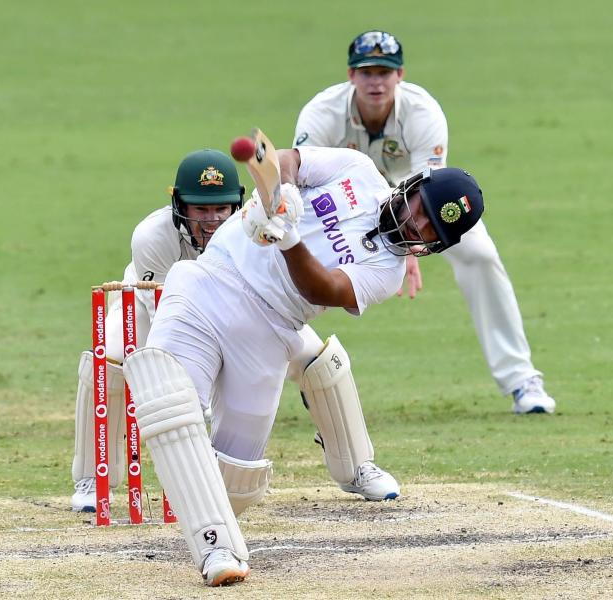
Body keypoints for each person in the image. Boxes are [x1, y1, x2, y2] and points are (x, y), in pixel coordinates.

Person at [121, 145, 485, 585]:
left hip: (270, 331)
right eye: (421, 209)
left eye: (432, 232)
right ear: (413, 186)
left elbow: (324, 288)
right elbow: (277, 157)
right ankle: (217, 549)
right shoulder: (359, 170)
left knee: (237, 475)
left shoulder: (387, 272)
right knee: (172, 398)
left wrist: (289, 238)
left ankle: (212, 517)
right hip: (211, 282)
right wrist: (284, 197)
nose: (418, 224)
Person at [70, 149, 399, 513]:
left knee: (320, 361)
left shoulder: (251, 223)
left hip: (241, 305)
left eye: (220, 209)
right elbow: (166, 314)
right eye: (200, 209)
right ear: (180, 205)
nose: (211, 220)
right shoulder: (153, 235)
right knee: (111, 358)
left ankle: (356, 467)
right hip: (152, 305)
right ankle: (92, 477)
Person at [294, 30, 556, 414]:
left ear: (399, 76)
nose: (376, 82)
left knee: (480, 254)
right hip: (345, 203)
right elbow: (303, 179)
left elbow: (428, 194)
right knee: (303, 274)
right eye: (367, 72)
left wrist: (408, 247)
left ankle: (522, 380)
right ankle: (304, 372)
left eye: (385, 72)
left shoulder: (423, 112)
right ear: (351, 75)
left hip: (416, 210)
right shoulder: (321, 112)